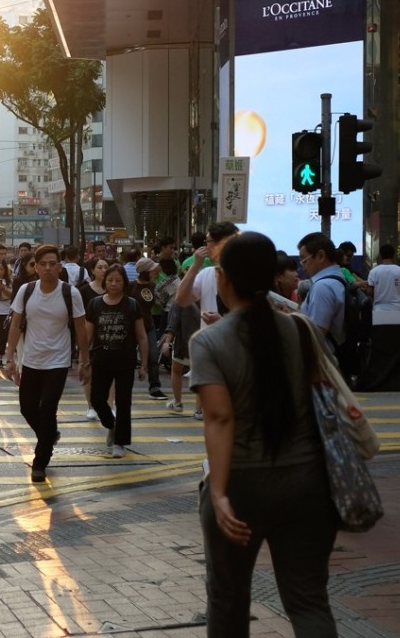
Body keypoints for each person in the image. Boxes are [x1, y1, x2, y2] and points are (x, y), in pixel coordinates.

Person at [190, 231, 336, 636]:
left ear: (223, 279)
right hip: (308, 481)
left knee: (229, 600)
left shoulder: (209, 341)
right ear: (273, 278)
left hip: (241, 484)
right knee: (309, 601)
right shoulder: (301, 330)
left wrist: (218, 494)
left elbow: (219, 419)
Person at [3, 244, 89, 482]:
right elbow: (15, 324)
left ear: (60, 267)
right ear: (36, 268)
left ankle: (40, 461)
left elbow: (81, 328)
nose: (48, 268)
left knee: (48, 408)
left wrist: (84, 360)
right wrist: (10, 357)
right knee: (27, 408)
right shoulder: (27, 291)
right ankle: (49, 435)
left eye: (53, 264)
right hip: (31, 359)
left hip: (58, 361)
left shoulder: (70, 293)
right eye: (43, 264)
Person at [84, 264, 148, 458]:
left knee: (123, 401)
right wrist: (83, 360)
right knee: (96, 399)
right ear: (105, 282)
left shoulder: (132, 304)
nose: (114, 284)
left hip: (125, 359)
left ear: (124, 283)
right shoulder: (95, 304)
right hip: (101, 358)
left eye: (118, 280)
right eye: (110, 280)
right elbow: (87, 336)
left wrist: (144, 364)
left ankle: (120, 442)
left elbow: (142, 336)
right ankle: (111, 425)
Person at [296, 232, 345, 347]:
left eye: (304, 260)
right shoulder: (337, 279)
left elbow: (316, 335)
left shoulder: (322, 287)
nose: (303, 266)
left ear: (321, 256)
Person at [130, 256, 167, 400]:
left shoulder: (152, 285)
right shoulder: (131, 286)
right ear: (144, 271)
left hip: (149, 325)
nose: (155, 272)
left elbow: (155, 303)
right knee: (128, 357)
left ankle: (155, 387)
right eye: (152, 270)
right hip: (132, 327)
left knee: (153, 356)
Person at [79, 257, 109, 420]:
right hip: (90, 335)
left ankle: (110, 405)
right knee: (88, 369)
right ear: (92, 270)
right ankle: (91, 406)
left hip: (110, 334)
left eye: (106, 267)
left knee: (111, 372)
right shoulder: (84, 291)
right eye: (100, 267)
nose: (103, 270)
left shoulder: (114, 288)